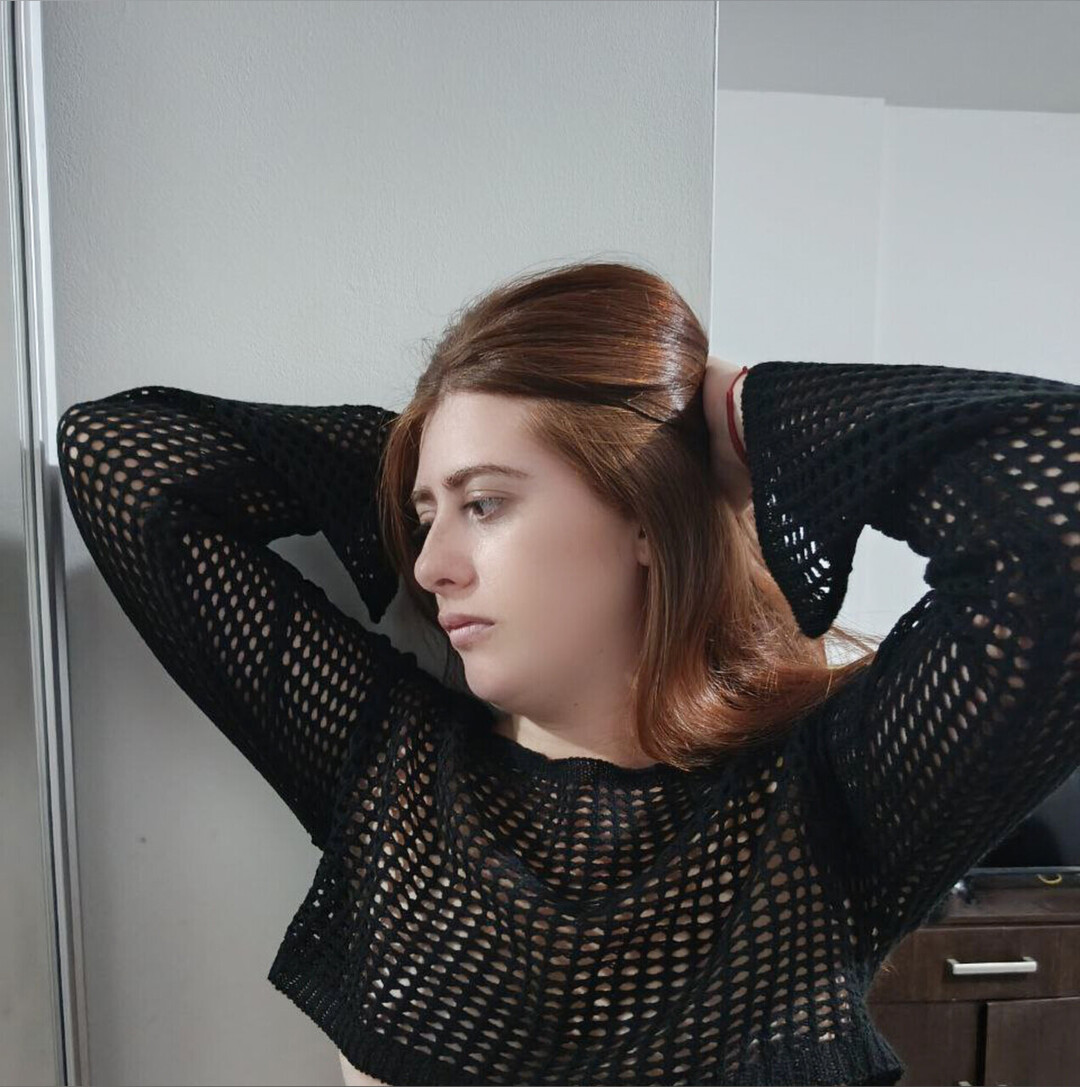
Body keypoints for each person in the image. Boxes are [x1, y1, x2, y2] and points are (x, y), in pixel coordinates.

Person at [56, 260, 1080, 1086]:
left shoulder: (830, 799)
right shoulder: (383, 763)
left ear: (644, 517)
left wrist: (735, 419)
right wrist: (436, 442)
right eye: (422, 517)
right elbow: (124, 460)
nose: (429, 565)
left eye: (485, 505)